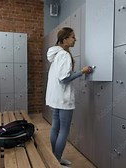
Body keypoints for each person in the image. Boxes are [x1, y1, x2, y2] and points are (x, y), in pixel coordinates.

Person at [45, 27, 93, 167]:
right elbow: (64, 79)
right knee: (64, 130)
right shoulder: (64, 55)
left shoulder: (56, 54)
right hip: (63, 98)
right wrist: (82, 71)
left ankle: (55, 159)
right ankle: (57, 161)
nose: (75, 39)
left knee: (55, 128)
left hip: (55, 97)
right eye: (72, 37)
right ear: (64, 39)